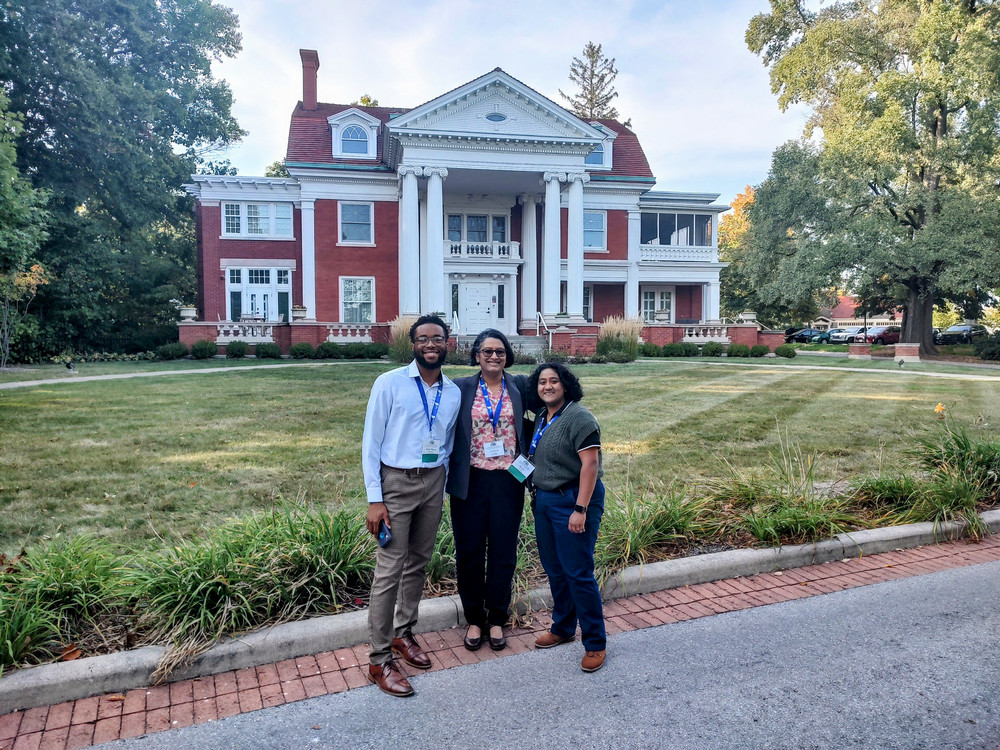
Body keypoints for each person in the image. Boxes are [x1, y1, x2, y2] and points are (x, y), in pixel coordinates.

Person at [361, 314, 462, 697]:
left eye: (437, 338)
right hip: (396, 483)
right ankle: (378, 658)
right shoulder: (390, 384)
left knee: (418, 561)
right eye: (423, 339)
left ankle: (404, 633)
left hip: (433, 482)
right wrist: (375, 498)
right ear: (413, 344)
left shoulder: (452, 392)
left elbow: (448, 443)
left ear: (447, 344)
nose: (430, 345)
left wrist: (444, 484)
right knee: (390, 568)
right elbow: (371, 443)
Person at [447, 329, 532, 652]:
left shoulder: (520, 385)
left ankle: (496, 618)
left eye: (499, 351)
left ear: (507, 355)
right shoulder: (461, 387)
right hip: (470, 481)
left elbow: (554, 394)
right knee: (469, 551)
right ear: (476, 355)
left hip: (509, 479)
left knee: (502, 550)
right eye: (487, 351)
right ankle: (473, 618)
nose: (494, 356)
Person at [527, 361, 607, 673]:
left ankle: (595, 642)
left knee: (578, 572)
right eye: (542, 382)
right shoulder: (542, 417)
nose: (547, 386)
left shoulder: (578, 416)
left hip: (574, 500)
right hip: (545, 501)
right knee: (556, 570)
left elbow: (590, 465)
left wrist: (580, 510)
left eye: (554, 381)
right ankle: (562, 627)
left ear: (566, 385)